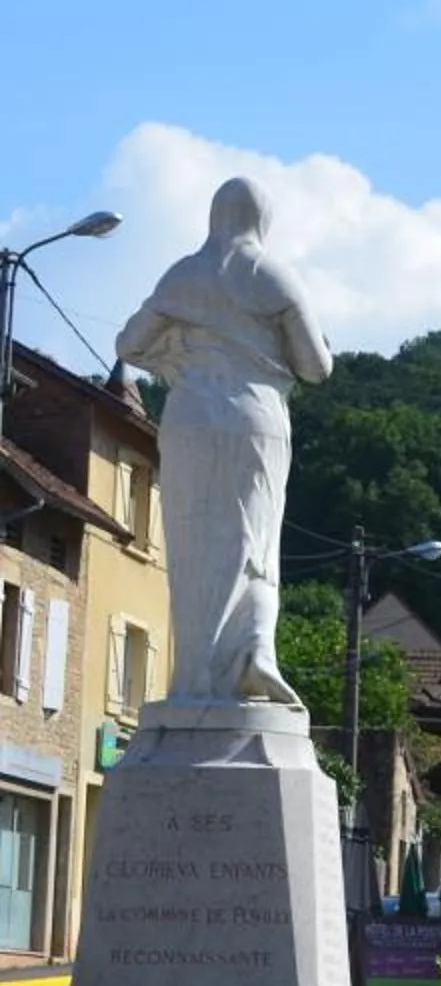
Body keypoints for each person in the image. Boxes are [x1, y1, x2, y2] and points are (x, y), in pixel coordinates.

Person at [114, 176, 335, 707]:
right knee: (254, 542)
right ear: (263, 220)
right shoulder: (273, 276)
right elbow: (315, 367)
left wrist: (178, 351)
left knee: (192, 548)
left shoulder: (182, 276)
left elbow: (128, 344)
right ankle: (254, 653)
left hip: (190, 419)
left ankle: (196, 676)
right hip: (254, 420)